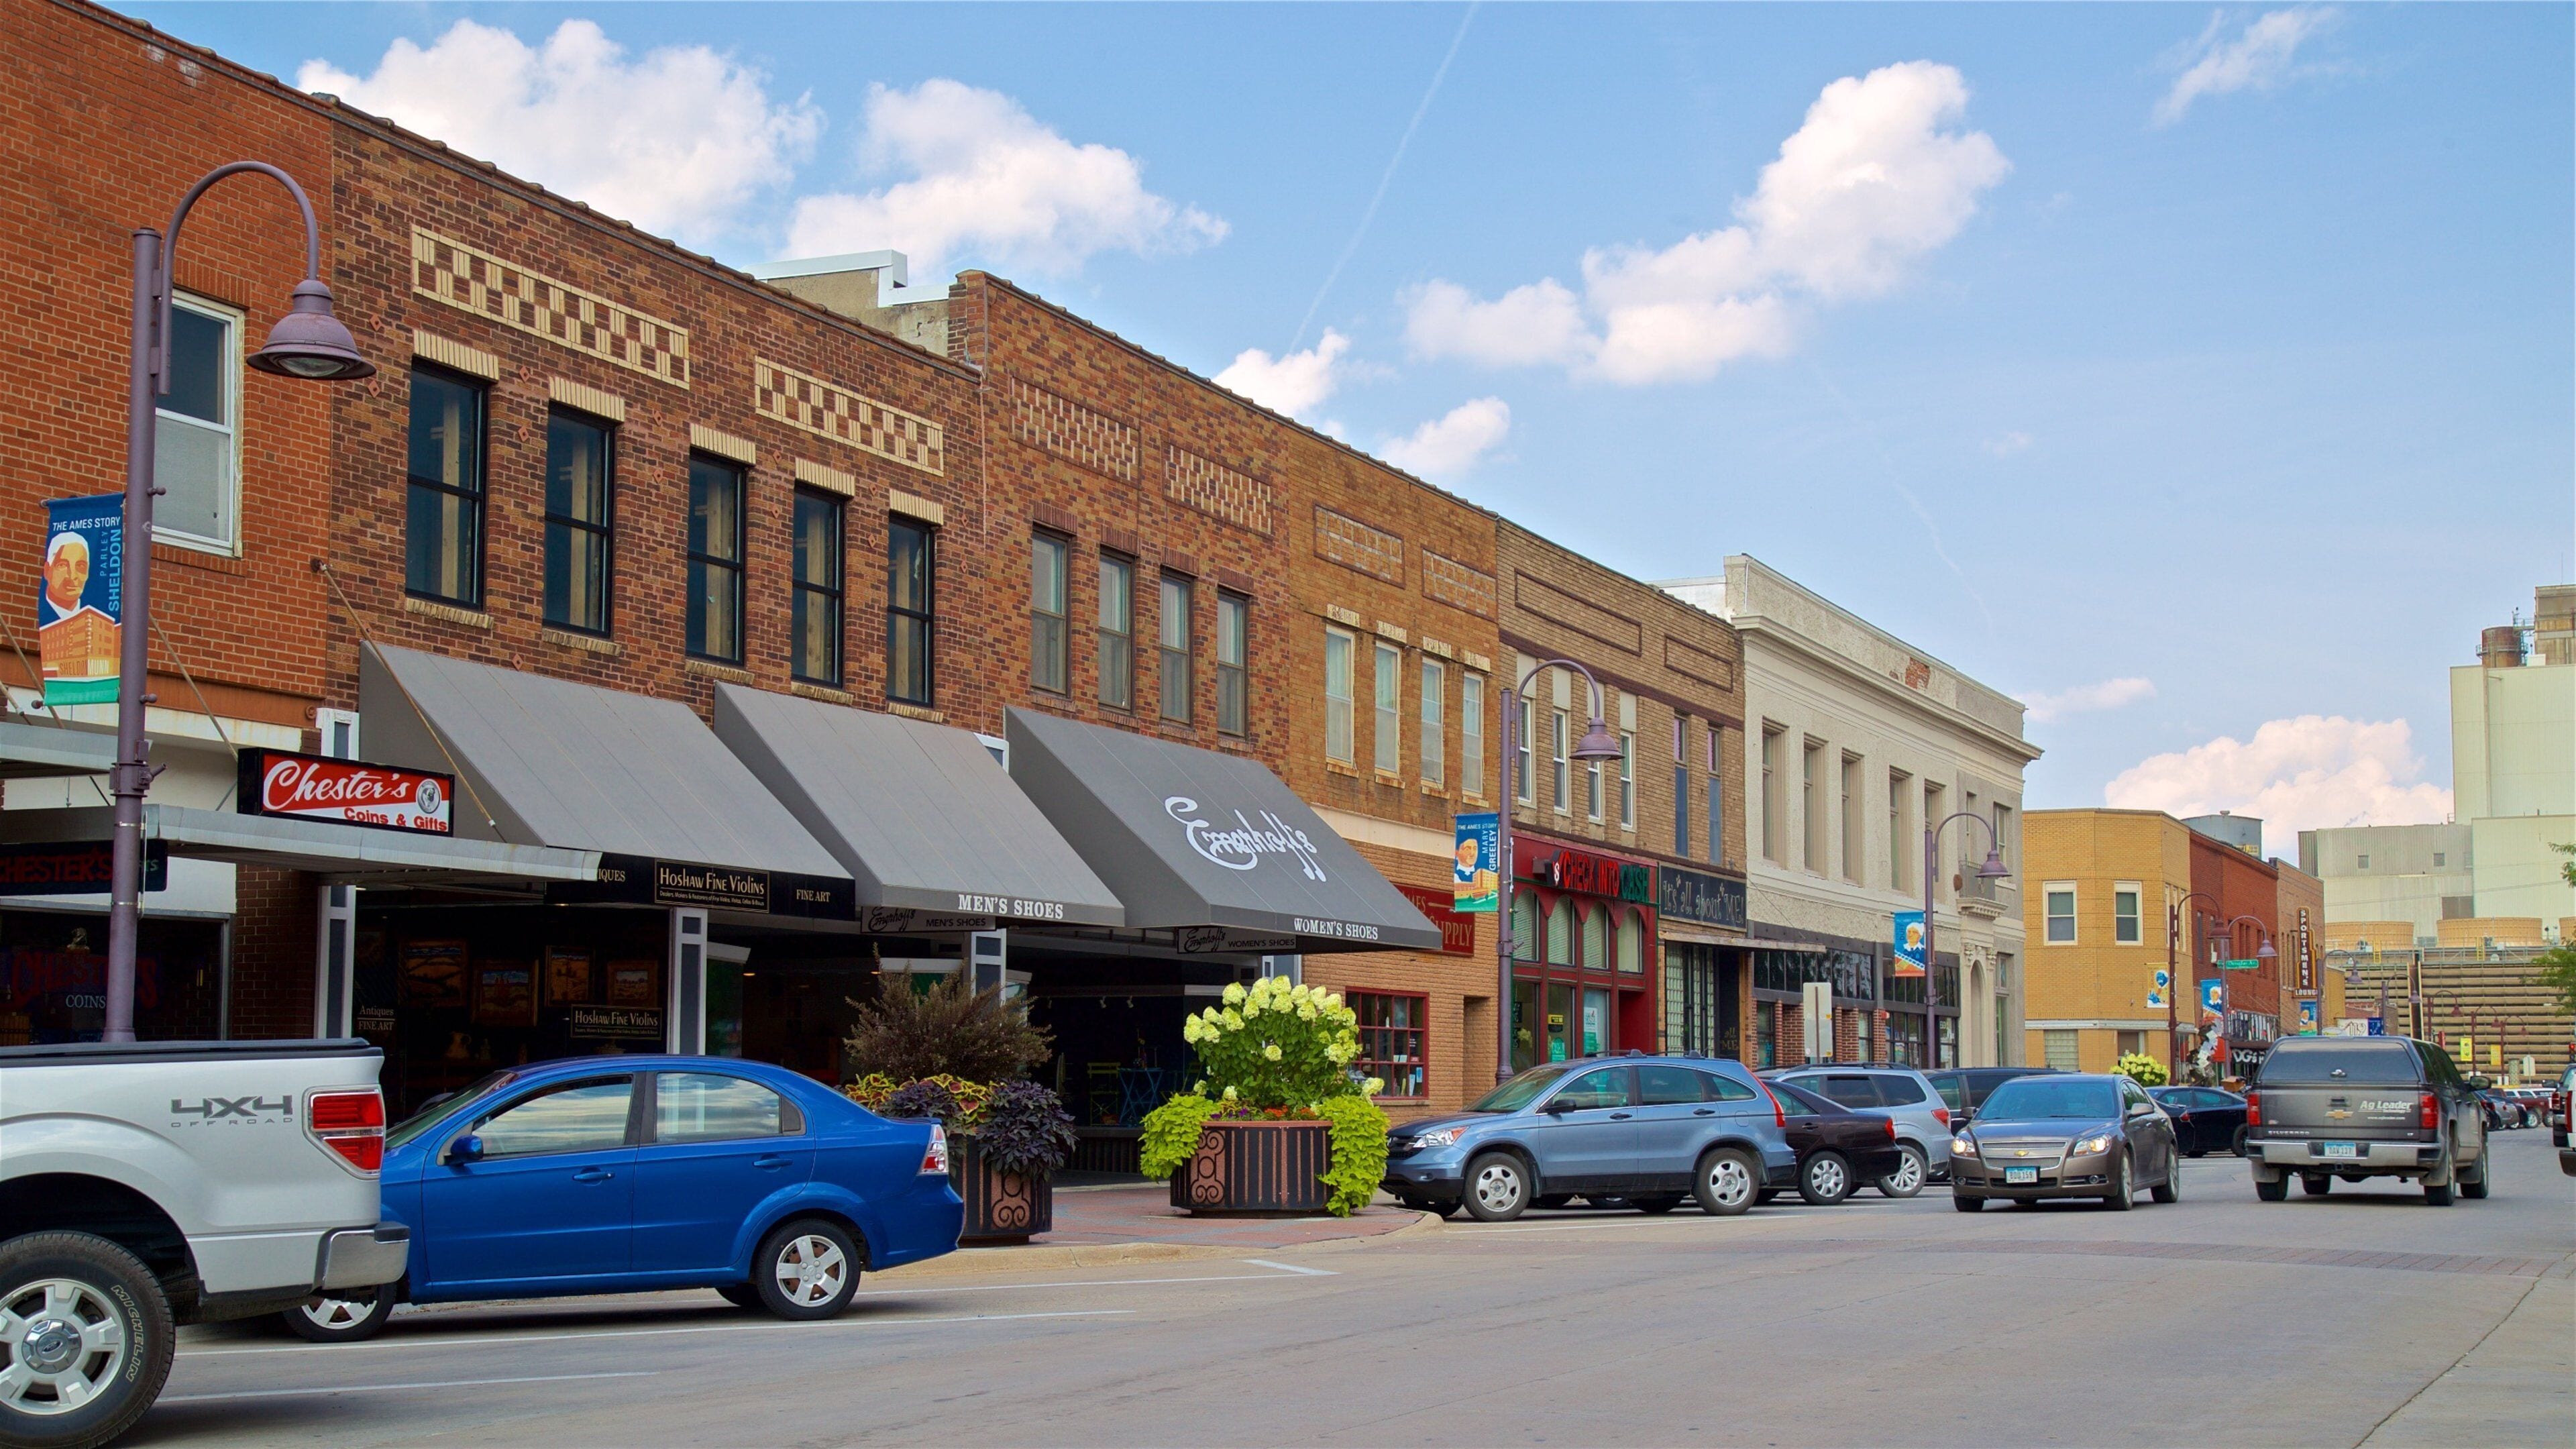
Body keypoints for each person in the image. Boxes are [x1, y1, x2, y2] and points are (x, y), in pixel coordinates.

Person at [41, 532, 90, 620]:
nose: (72, 576)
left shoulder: (94, 615)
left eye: (80, 566)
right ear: (47, 571)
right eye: (62, 565)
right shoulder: (41, 613)